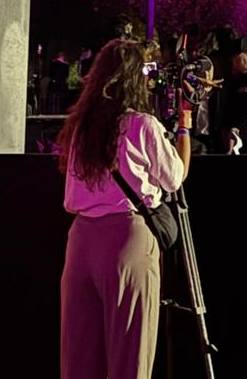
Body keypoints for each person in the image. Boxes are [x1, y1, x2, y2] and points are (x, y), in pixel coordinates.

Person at [58, 38, 191, 379]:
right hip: (126, 238)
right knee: (130, 354)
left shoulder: (80, 127)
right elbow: (175, 178)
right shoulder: (141, 125)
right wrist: (184, 127)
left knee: (79, 358)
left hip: (81, 241)